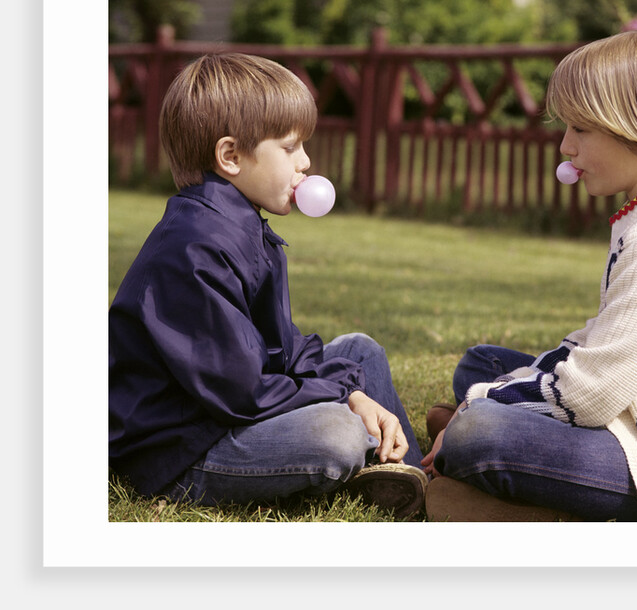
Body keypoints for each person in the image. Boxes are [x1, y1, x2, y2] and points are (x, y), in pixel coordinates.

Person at [422, 28, 637, 523]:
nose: (565, 147)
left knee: (480, 435)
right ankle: (484, 448)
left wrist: (477, 412)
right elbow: (603, 343)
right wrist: (488, 393)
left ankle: (496, 473)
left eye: (581, 129)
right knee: (481, 365)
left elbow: (589, 396)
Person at [109, 53, 426, 519]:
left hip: (224, 411)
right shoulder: (194, 248)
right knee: (336, 433)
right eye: (291, 146)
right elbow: (244, 392)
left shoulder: (241, 226)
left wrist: (349, 386)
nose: (306, 162)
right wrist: (346, 396)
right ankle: (372, 468)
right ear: (231, 156)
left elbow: (280, 349)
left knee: (361, 351)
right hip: (182, 447)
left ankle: (414, 486)